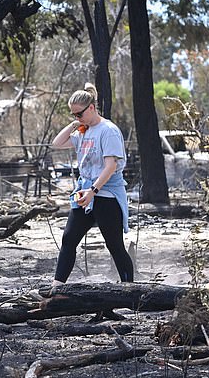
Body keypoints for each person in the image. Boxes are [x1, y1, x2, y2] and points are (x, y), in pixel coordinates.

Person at [50, 83, 133, 286]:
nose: (77, 118)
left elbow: (111, 166)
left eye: (79, 114)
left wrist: (94, 191)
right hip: (84, 193)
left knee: (114, 245)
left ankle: (130, 290)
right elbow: (56, 143)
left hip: (106, 195)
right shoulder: (82, 131)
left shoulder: (108, 131)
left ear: (92, 108)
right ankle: (56, 288)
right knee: (69, 240)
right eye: (74, 114)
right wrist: (74, 124)